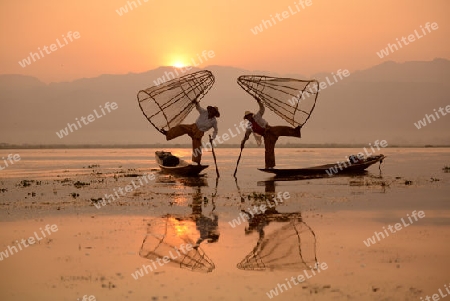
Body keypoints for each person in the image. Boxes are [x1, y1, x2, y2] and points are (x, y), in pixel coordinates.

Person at [241, 100, 301, 169]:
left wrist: (259, 101)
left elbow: (262, 108)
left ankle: (296, 131)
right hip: (266, 135)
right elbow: (246, 135)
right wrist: (243, 142)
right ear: (246, 118)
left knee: (282, 129)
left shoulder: (257, 116)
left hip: (269, 129)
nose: (249, 117)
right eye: (247, 117)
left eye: (249, 115)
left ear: (251, 115)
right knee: (268, 150)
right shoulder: (249, 126)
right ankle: (270, 166)